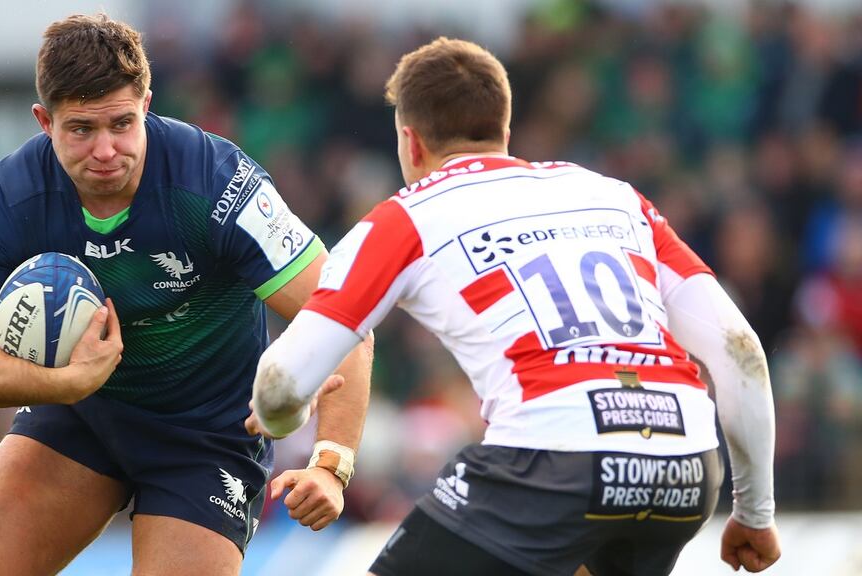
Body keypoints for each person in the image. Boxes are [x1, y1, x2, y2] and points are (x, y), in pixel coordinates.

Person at [250, 37, 781, 575]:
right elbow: (742, 352)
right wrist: (755, 513)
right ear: (505, 132)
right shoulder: (617, 197)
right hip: (683, 462)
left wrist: (289, 414)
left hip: (551, 460)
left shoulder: (404, 216)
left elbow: (279, 384)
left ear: (410, 143)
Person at [0, 13, 372, 575]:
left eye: (121, 124)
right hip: (80, 416)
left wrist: (331, 462)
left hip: (207, 437)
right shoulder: (4, 199)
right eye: (81, 129)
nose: (105, 149)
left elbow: (345, 316)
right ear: (43, 121)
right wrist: (64, 384)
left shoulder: (217, 183)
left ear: (147, 105)